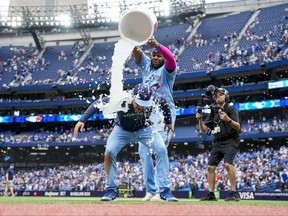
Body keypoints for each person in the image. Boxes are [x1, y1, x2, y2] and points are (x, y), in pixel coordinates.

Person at [74, 83, 178, 202]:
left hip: (144, 129)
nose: (141, 107)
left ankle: (164, 191)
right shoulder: (121, 98)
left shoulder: (153, 97)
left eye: (144, 104)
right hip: (122, 130)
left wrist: (168, 121)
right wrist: (82, 120)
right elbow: (98, 103)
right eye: (139, 103)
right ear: (133, 97)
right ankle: (111, 190)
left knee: (161, 150)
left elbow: (164, 102)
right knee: (109, 151)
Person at [132, 37, 177, 201]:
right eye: (154, 55)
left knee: (160, 150)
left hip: (165, 115)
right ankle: (151, 190)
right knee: (144, 153)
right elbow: (136, 51)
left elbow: (171, 58)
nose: (156, 57)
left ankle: (163, 190)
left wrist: (158, 45)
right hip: (146, 115)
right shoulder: (146, 65)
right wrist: (133, 36)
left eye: (159, 55)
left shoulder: (167, 71)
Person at [196, 87, 241, 201]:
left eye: (220, 94)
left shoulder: (231, 109)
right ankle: (211, 194)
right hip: (218, 142)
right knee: (210, 167)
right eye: (216, 95)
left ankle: (234, 193)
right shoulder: (213, 111)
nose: (218, 96)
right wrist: (200, 119)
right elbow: (203, 129)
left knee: (227, 164)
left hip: (231, 140)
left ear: (226, 96)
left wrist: (228, 120)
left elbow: (238, 127)